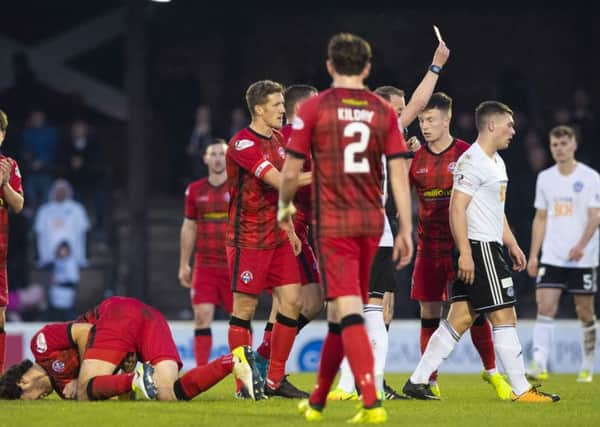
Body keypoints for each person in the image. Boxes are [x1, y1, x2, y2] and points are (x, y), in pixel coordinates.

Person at [278, 33, 413, 423]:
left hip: (334, 222)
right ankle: (319, 399)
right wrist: (404, 226)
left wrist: (285, 207)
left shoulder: (315, 108)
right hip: (373, 221)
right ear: (368, 68)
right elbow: (399, 173)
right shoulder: (382, 110)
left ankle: (370, 400)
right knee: (340, 310)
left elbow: (290, 168)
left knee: (348, 305)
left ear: (330, 66)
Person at [402, 101, 560, 403]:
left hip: (490, 246)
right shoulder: (472, 161)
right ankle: (521, 389)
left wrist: (511, 243)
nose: (513, 131)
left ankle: (418, 380)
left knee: (459, 318)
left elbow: (494, 209)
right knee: (505, 316)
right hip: (479, 248)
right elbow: (456, 208)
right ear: (491, 125)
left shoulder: (495, 161)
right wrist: (464, 253)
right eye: (508, 125)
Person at [328, 40, 450, 402]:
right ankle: (361, 384)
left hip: (367, 231)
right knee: (363, 308)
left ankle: (361, 384)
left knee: (367, 308)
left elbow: (416, 103)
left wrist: (436, 66)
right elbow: (414, 105)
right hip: (369, 232)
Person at [406, 92, 511, 399]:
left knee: (477, 312)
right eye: (421, 120)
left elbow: (490, 204)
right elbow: (402, 199)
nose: (424, 126)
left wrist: (508, 241)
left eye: (430, 120)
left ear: (446, 120)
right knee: (429, 313)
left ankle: (492, 372)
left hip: (461, 247)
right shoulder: (416, 160)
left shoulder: (468, 154)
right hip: (427, 249)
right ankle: (429, 381)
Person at [0, 296, 264, 401]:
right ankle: (234, 361)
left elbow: (87, 332)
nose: (40, 399)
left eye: (31, 399)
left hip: (116, 314)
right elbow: (119, 392)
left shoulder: (41, 344)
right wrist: (125, 381)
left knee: (84, 392)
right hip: (148, 319)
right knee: (168, 394)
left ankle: (137, 377)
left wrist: (84, 380)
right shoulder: (61, 388)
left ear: (23, 383)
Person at [226, 80, 311, 398]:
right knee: (244, 310)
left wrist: (288, 226)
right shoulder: (242, 144)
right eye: (276, 105)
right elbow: (280, 181)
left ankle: (275, 380)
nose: (282, 110)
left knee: (293, 302)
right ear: (259, 109)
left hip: (277, 237)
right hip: (247, 240)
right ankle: (243, 383)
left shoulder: (277, 140)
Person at [254, 84, 324, 378]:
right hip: (288, 227)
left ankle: (266, 361)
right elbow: (287, 181)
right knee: (306, 301)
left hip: (297, 227)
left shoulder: (300, 138)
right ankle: (265, 361)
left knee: (292, 303)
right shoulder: (294, 139)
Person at [526, 125, 600, 383]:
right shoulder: (545, 178)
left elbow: (595, 216)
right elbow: (541, 217)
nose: (559, 148)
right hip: (553, 255)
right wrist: (534, 255)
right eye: (554, 145)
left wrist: (581, 245)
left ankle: (588, 365)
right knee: (544, 307)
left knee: (585, 312)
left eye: (563, 143)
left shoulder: (590, 177)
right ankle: (539, 363)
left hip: (583, 257)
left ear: (574, 145)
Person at [179, 140, 232, 367]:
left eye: (222, 153)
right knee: (201, 317)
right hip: (205, 264)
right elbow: (189, 226)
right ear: (206, 159)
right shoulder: (195, 190)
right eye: (214, 154)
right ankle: (200, 372)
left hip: (234, 264)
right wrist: (184, 264)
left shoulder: (238, 188)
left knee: (240, 320)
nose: (218, 158)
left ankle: (246, 375)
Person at [0, 109, 25, 373]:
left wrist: (4, 185)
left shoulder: (10, 165)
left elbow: (18, 205)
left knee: (0, 315)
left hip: (0, 253)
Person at [34, 179, 90, 268]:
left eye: (63, 190)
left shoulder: (78, 209)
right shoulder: (44, 210)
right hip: (50, 256)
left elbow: (84, 230)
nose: (60, 193)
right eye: (58, 190)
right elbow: (39, 232)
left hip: (73, 255)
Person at [47, 241, 80, 321]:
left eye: (64, 250)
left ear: (68, 250)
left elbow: (73, 282)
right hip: (55, 299)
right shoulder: (55, 261)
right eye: (60, 249)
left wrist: (59, 283)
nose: (62, 252)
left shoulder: (71, 263)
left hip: (66, 300)